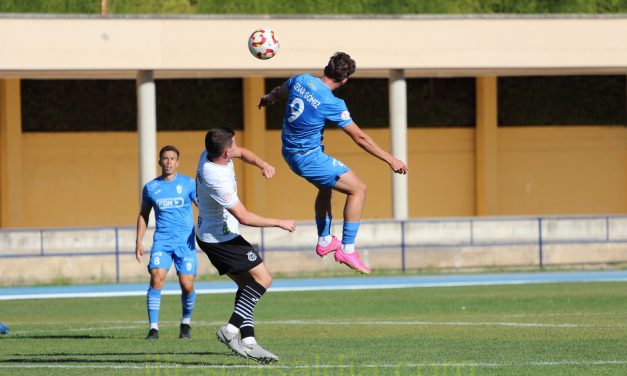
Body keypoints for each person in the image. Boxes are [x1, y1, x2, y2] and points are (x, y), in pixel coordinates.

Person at [258, 52, 408, 274]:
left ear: (327, 67)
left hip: (289, 151)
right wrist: (390, 159)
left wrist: (269, 98)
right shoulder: (332, 102)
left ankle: (325, 239)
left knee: (326, 187)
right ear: (345, 80)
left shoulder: (302, 80)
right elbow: (359, 137)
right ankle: (347, 249)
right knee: (358, 189)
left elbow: (280, 91)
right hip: (308, 156)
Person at [196, 127, 295, 364]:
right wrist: (280, 222)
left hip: (211, 235)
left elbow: (242, 153)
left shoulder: (209, 152)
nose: (236, 147)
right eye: (234, 145)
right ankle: (230, 330)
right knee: (264, 279)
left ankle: (249, 341)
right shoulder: (215, 178)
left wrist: (262, 164)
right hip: (222, 239)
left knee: (246, 285)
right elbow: (244, 217)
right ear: (225, 152)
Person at [135, 145, 198, 340]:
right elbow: (143, 215)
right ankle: (153, 328)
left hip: (185, 242)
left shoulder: (188, 184)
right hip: (162, 242)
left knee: (186, 284)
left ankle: (185, 323)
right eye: (165, 158)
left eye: (172, 158)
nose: (169, 162)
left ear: (177, 163)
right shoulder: (151, 188)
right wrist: (139, 241)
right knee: (156, 279)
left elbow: (203, 207)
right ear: (160, 161)